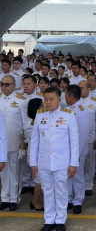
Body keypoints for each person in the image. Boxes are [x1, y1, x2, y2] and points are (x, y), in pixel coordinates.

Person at [30, 87, 79, 231]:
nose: (48, 102)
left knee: (61, 191)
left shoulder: (68, 115)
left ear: (59, 100)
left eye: (51, 99)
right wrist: (34, 163)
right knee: (48, 190)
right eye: (46, 99)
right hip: (44, 162)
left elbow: (74, 142)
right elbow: (35, 142)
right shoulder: (40, 116)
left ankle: (60, 220)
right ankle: (49, 219)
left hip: (61, 162)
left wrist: (73, 163)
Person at [0, 75, 26, 211]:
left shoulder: (21, 101)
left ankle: (14, 198)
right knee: (3, 173)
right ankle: (5, 197)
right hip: (1, 144)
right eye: (2, 84)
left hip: (15, 142)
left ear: (14, 86)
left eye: (7, 84)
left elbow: (25, 124)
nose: (4, 87)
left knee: (15, 172)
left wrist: (24, 143)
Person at [65, 85, 91, 214]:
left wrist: (77, 153)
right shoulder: (67, 109)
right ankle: (69, 199)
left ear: (70, 96)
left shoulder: (82, 110)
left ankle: (78, 201)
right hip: (66, 150)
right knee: (67, 175)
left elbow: (83, 133)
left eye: (65, 95)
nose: (64, 98)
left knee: (78, 176)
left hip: (78, 151)